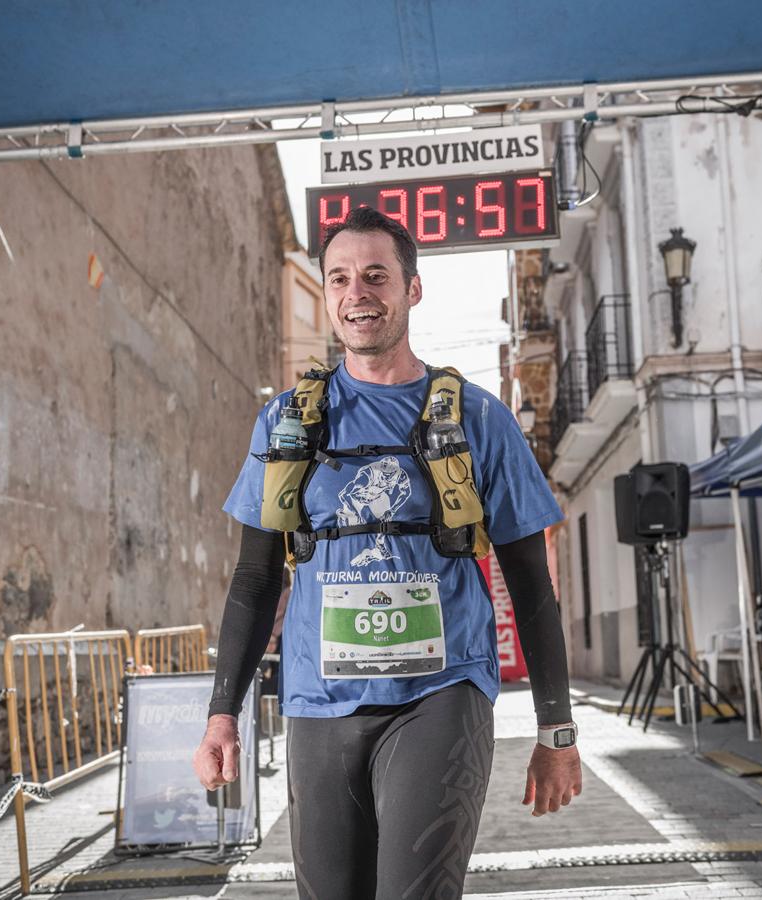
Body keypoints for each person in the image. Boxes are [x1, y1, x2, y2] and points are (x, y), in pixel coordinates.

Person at [193, 207, 580, 899]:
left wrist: (556, 730)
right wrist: (223, 712)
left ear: (412, 289)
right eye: (339, 277)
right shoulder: (287, 423)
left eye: (376, 275)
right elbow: (255, 580)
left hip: (439, 697)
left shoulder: (478, 419)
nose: (356, 292)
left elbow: (530, 584)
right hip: (317, 704)